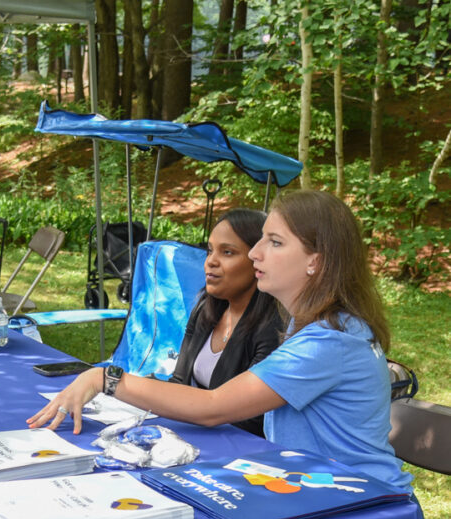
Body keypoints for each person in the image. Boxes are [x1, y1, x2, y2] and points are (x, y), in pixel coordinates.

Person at [30, 190, 412, 493]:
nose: (257, 253)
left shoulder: (330, 340)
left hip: (361, 504)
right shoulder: (316, 321)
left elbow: (214, 406)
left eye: (275, 242)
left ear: (317, 260)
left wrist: (106, 379)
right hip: (317, 488)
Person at [169, 208, 284, 435]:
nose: (211, 261)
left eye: (228, 252)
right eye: (210, 250)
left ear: (258, 261)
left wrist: (113, 382)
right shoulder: (207, 307)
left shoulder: (274, 327)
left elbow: (251, 419)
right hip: (195, 433)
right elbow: (179, 381)